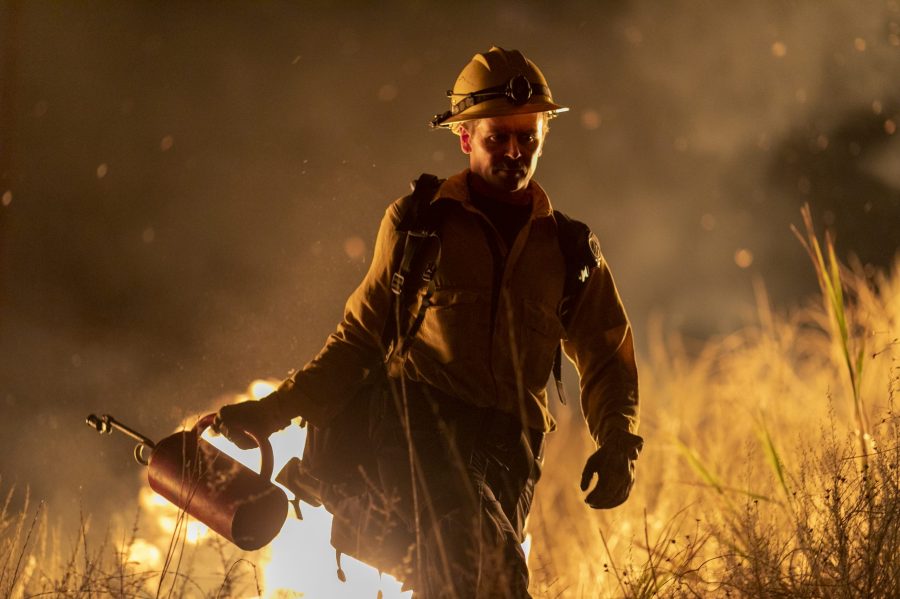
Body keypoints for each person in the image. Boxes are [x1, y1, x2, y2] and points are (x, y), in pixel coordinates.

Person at [214, 46, 642, 598]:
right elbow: (359, 339)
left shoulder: (569, 248)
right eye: (497, 137)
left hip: (510, 454)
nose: (514, 151)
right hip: (420, 430)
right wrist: (272, 412)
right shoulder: (419, 225)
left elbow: (608, 356)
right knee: (485, 570)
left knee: (464, 578)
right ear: (465, 138)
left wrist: (617, 442)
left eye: (527, 137)